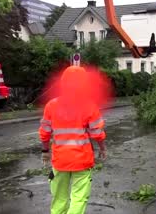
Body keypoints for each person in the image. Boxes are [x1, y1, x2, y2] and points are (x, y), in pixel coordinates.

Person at [39, 66, 107, 214]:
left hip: (60, 160)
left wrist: (45, 151)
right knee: (78, 199)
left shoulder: (51, 105)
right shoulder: (89, 105)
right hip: (82, 161)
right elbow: (97, 133)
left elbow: (45, 132)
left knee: (59, 199)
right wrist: (102, 148)